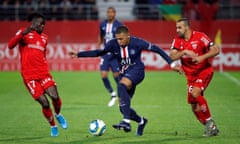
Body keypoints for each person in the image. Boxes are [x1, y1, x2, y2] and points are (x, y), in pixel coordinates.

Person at [69, 25, 177, 136]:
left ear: (128, 36)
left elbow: (156, 49)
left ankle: (126, 121)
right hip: (125, 74)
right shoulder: (112, 44)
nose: (119, 41)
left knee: (121, 86)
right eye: (117, 39)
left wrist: (171, 63)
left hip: (137, 71)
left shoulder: (137, 42)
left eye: (121, 39)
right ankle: (141, 121)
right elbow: (98, 52)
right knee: (123, 107)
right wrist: (78, 54)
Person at [8, 12, 68, 137]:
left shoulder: (45, 38)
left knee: (55, 97)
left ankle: (58, 114)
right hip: (29, 76)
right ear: (34, 23)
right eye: (41, 24)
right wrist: (22, 34)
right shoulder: (23, 32)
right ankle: (53, 125)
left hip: (44, 73)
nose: (43, 26)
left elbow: (42, 54)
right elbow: (10, 45)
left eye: (44, 25)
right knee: (45, 103)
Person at [169, 18, 219, 137]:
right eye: (176, 27)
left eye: (179, 27)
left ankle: (210, 123)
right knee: (194, 105)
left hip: (204, 71)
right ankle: (211, 127)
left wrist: (202, 57)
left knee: (195, 94)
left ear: (187, 27)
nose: (177, 30)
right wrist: (184, 51)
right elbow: (172, 56)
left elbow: (216, 50)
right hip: (190, 76)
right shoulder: (177, 40)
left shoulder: (200, 37)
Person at [96, 6, 123, 107]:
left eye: (111, 12)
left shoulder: (119, 25)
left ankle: (121, 92)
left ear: (114, 14)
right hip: (105, 54)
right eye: (108, 12)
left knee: (116, 76)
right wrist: (98, 46)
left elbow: (123, 38)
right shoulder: (103, 24)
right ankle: (112, 94)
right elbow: (100, 35)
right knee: (103, 75)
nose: (109, 14)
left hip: (115, 55)